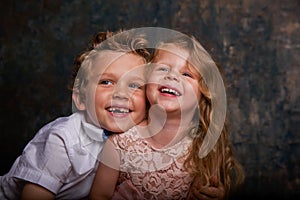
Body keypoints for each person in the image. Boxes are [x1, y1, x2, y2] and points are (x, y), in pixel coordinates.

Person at [90, 33, 244, 199]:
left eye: (187, 74)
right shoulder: (119, 145)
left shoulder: (203, 152)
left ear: (202, 95)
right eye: (163, 68)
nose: (172, 76)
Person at [0, 30, 150, 200]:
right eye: (106, 82)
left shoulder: (136, 140)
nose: (121, 93)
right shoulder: (62, 139)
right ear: (80, 99)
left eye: (134, 85)